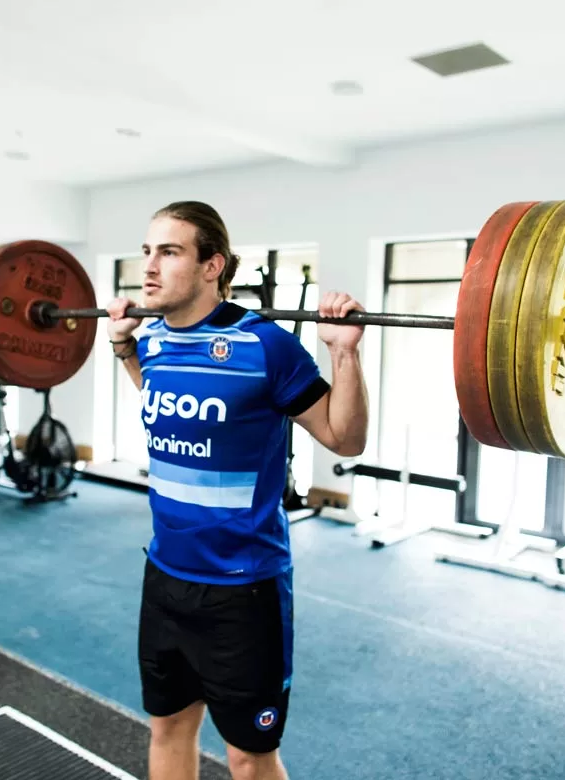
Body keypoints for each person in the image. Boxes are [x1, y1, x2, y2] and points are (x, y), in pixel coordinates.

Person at [106, 201, 369, 780]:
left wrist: (343, 352)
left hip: (242, 591)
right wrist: (123, 346)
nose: (148, 266)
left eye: (168, 252)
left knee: (249, 758)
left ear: (211, 266)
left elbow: (343, 438)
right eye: (146, 251)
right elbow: (159, 397)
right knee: (168, 729)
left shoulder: (265, 346)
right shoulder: (152, 342)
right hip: (165, 576)